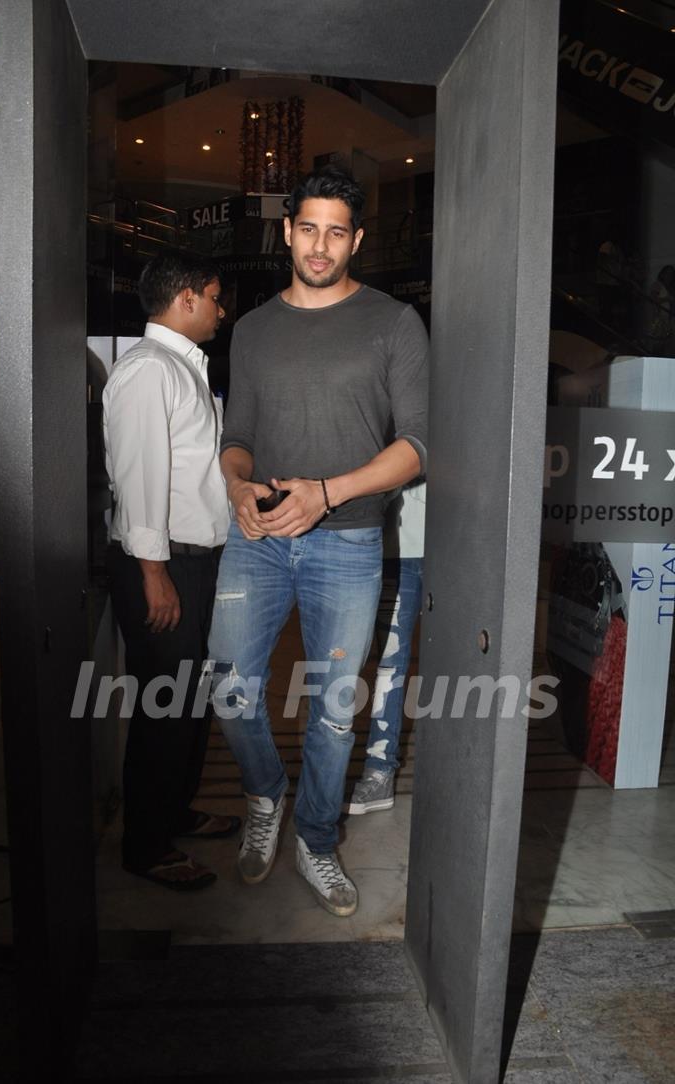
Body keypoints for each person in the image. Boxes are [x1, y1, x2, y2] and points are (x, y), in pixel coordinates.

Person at [204, 165, 429, 917]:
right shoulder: (253, 328)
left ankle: (316, 836)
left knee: (335, 707)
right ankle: (265, 792)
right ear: (288, 231)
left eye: (337, 231)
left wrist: (326, 493)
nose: (321, 244)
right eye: (309, 228)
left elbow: (419, 447)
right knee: (229, 687)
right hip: (259, 535)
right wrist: (238, 486)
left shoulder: (394, 323)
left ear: (357, 238)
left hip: (350, 542)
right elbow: (237, 439)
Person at [103, 252, 239, 891]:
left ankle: (172, 811)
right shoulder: (147, 371)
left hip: (192, 562)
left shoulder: (182, 368)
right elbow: (139, 479)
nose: (221, 309)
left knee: (188, 702)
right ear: (186, 298)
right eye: (215, 297)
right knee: (164, 706)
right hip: (163, 567)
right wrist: (153, 571)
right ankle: (146, 845)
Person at [347, 478, 425, 814]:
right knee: (389, 668)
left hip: (460, 552)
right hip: (396, 551)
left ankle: (468, 770)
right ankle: (379, 771)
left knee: (465, 664)